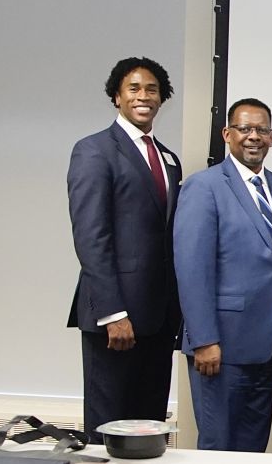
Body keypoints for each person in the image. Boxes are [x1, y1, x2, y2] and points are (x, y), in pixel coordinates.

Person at [172, 98, 272, 451]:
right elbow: (192, 269)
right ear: (227, 134)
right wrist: (203, 339)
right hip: (221, 346)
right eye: (245, 129)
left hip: (270, 345)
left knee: (253, 448)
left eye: (261, 130)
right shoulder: (204, 187)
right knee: (219, 447)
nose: (253, 137)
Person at [67, 56, 183, 443]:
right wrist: (113, 313)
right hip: (115, 319)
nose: (143, 96)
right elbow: (91, 238)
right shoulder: (94, 151)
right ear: (116, 96)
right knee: (108, 429)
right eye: (133, 88)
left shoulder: (169, 159)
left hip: (158, 319)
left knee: (148, 429)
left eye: (152, 89)